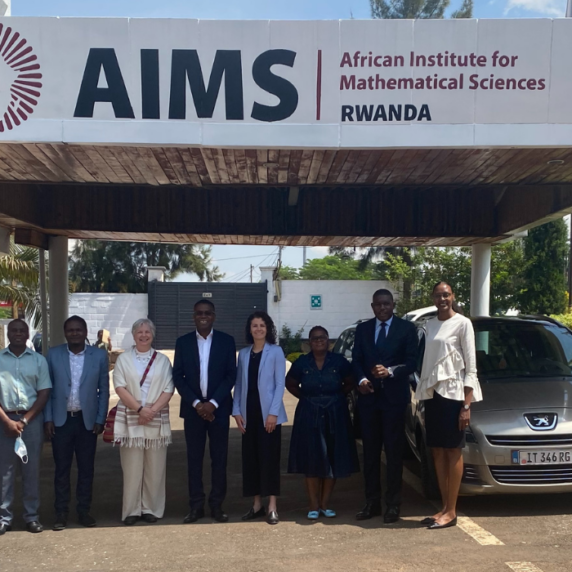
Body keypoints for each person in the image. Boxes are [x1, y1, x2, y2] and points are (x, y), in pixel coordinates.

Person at [417, 282, 483, 530]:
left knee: (453, 451)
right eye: (438, 295)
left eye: (446, 294)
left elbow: (471, 366)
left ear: (453, 296)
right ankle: (443, 507)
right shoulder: (430, 324)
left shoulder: (463, 323)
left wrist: (466, 405)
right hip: (433, 395)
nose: (442, 298)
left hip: (454, 396)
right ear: (433, 298)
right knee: (437, 450)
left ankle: (452, 511)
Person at [352, 289, 417, 524]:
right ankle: (372, 502)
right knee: (370, 454)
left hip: (394, 401)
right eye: (378, 304)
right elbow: (356, 360)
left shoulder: (406, 329)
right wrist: (361, 380)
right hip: (369, 401)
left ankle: (393, 504)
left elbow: (412, 362)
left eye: (386, 304)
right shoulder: (363, 330)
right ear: (372, 306)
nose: (382, 308)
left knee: (393, 454)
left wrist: (390, 372)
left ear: (393, 305)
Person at [173, 300, 237, 524]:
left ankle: (217, 506)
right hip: (193, 411)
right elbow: (177, 377)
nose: (203, 316)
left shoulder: (226, 341)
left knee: (219, 459)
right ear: (193, 316)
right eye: (199, 313)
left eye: (207, 313)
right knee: (194, 459)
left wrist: (212, 404)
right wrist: (197, 404)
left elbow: (231, 375)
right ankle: (196, 507)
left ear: (213, 316)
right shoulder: (183, 342)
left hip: (218, 410)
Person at [44, 316, 110, 531]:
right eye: (70, 330)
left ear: (85, 331)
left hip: (87, 421)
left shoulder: (99, 355)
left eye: (78, 329)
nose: (74, 333)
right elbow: (47, 390)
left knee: (86, 469)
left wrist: (101, 418)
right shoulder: (53, 354)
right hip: (61, 421)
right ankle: (61, 513)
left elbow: (103, 390)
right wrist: (48, 418)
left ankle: (84, 511)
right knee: (61, 469)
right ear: (65, 333)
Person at [287, 326, 359, 520]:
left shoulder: (339, 362)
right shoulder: (302, 363)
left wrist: (337, 397)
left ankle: (325, 504)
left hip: (335, 413)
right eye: (314, 338)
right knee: (312, 459)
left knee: (332, 457)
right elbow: (290, 383)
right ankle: (313, 505)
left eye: (322, 338)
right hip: (309, 413)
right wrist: (306, 398)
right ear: (309, 342)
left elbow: (350, 382)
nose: (319, 341)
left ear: (329, 341)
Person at [113, 318, 174, 526]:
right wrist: (139, 409)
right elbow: (119, 387)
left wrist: (151, 411)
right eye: (140, 332)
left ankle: (151, 509)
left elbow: (168, 388)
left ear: (153, 334)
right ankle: (131, 510)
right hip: (131, 418)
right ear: (133, 334)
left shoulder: (162, 360)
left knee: (156, 468)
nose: (144, 335)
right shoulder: (123, 359)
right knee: (131, 468)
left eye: (147, 332)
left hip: (155, 418)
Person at [233, 311, 286, 525]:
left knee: (269, 459)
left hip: (269, 416)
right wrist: (236, 410)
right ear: (249, 329)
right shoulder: (244, 354)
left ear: (268, 328)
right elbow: (239, 384)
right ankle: (256, 505)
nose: (258, 329)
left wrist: (273, 413)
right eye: (254, 325)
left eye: (262, 325)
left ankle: (272, 505)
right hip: (248, 414)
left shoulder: (276, 351)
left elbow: (279, 384)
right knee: (251, 459)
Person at [0, 319, 51, 534]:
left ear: (28, 333)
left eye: (22, 330)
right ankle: (4, 518)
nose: (18, 334)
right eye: (14, 330)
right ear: (8, 334)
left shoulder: (39, 361)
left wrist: (24, 421)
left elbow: (44, 393)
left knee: (31, 471)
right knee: (5, 472)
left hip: (30, 421)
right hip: (4, 421)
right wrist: (7, 422)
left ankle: (31, 516)